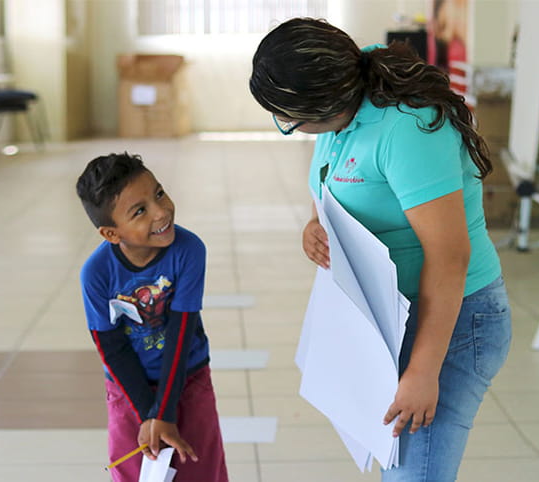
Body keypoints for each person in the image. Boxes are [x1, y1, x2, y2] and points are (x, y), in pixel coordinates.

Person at [250, 18, 512, 482]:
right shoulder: (350, 92)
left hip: (454, 322)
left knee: (415, 476)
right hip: (390, 315)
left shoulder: (407, 129)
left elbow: (450, 257)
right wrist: (315, 224)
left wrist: (423, 372)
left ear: (326, 105)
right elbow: (335, 179)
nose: (288, 127)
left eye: (290, 120)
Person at [76, 151, 228, 482]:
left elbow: (181, 330)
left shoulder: (189, 250)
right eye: (140, 211)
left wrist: (164, 412)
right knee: (136, 473)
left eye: (158, 193)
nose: (161, 212)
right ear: (111, 234)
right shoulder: (96, 273)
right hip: (128, 390)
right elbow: (111, 347)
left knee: (200, 467)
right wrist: (149, 415)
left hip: (188, 379)